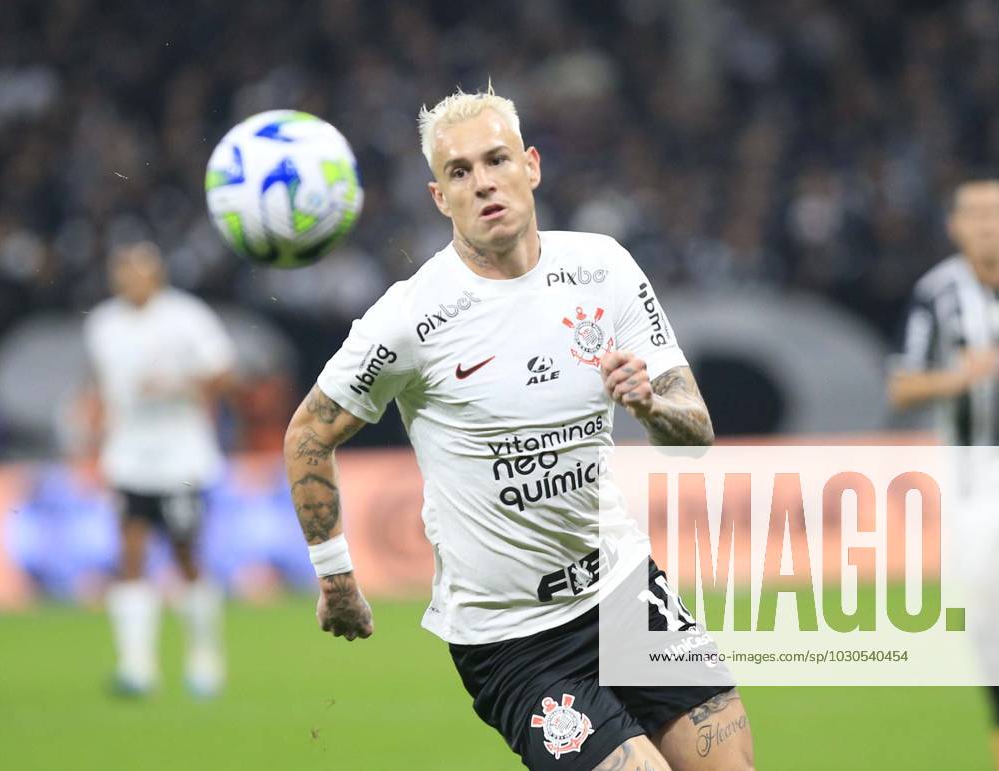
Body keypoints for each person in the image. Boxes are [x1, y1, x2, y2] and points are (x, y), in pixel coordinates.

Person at [283, 87, 755, 770]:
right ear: (439, 197)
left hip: (626, 591)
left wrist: (650, 404)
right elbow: (307, 434)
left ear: (531, 165)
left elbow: (697, 430)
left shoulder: (603, 267)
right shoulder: (410, 318)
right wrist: (335, 578)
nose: (482, 182)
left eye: (496, 159)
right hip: (515, 639)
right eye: (459, 172)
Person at [83, 241, 236, 697]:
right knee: (129, 557)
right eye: (123, 272)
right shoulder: (102, 324)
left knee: (186, 557)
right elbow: (103, 388)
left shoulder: (187, 317)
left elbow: (225, 373)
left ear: (157, 274)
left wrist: (178, 384)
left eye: (138, 271)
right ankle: (137, 667)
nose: (130, 279)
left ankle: (205, 659)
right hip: (128, 459)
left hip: (181, 460)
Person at [888, 177, 999, 769]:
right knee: (985, 619)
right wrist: (959, 378)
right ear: (955, 227)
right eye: (976, 215)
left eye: (996, 213)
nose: (988, 225)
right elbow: (902, 384)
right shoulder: (937, 294)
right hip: (974, 480)